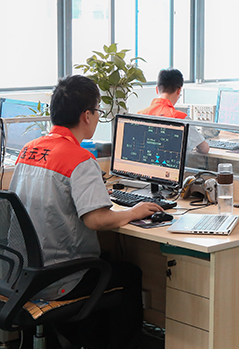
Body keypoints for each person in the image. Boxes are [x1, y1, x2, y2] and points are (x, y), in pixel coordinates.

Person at [9, 75, 163, 348]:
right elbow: (97, 219)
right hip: (57, 277)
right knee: (129, 275)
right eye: (98, 110)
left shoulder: (28, 150)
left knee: (107, 262)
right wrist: (134, 211)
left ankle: (79, 338)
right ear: (87, 115)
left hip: (22, 272)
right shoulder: (79, 159)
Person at [138, 68, 210, 154]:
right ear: (179, 90)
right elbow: (204, 149)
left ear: (157, 89)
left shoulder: (140, 115)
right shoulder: (181, 118)